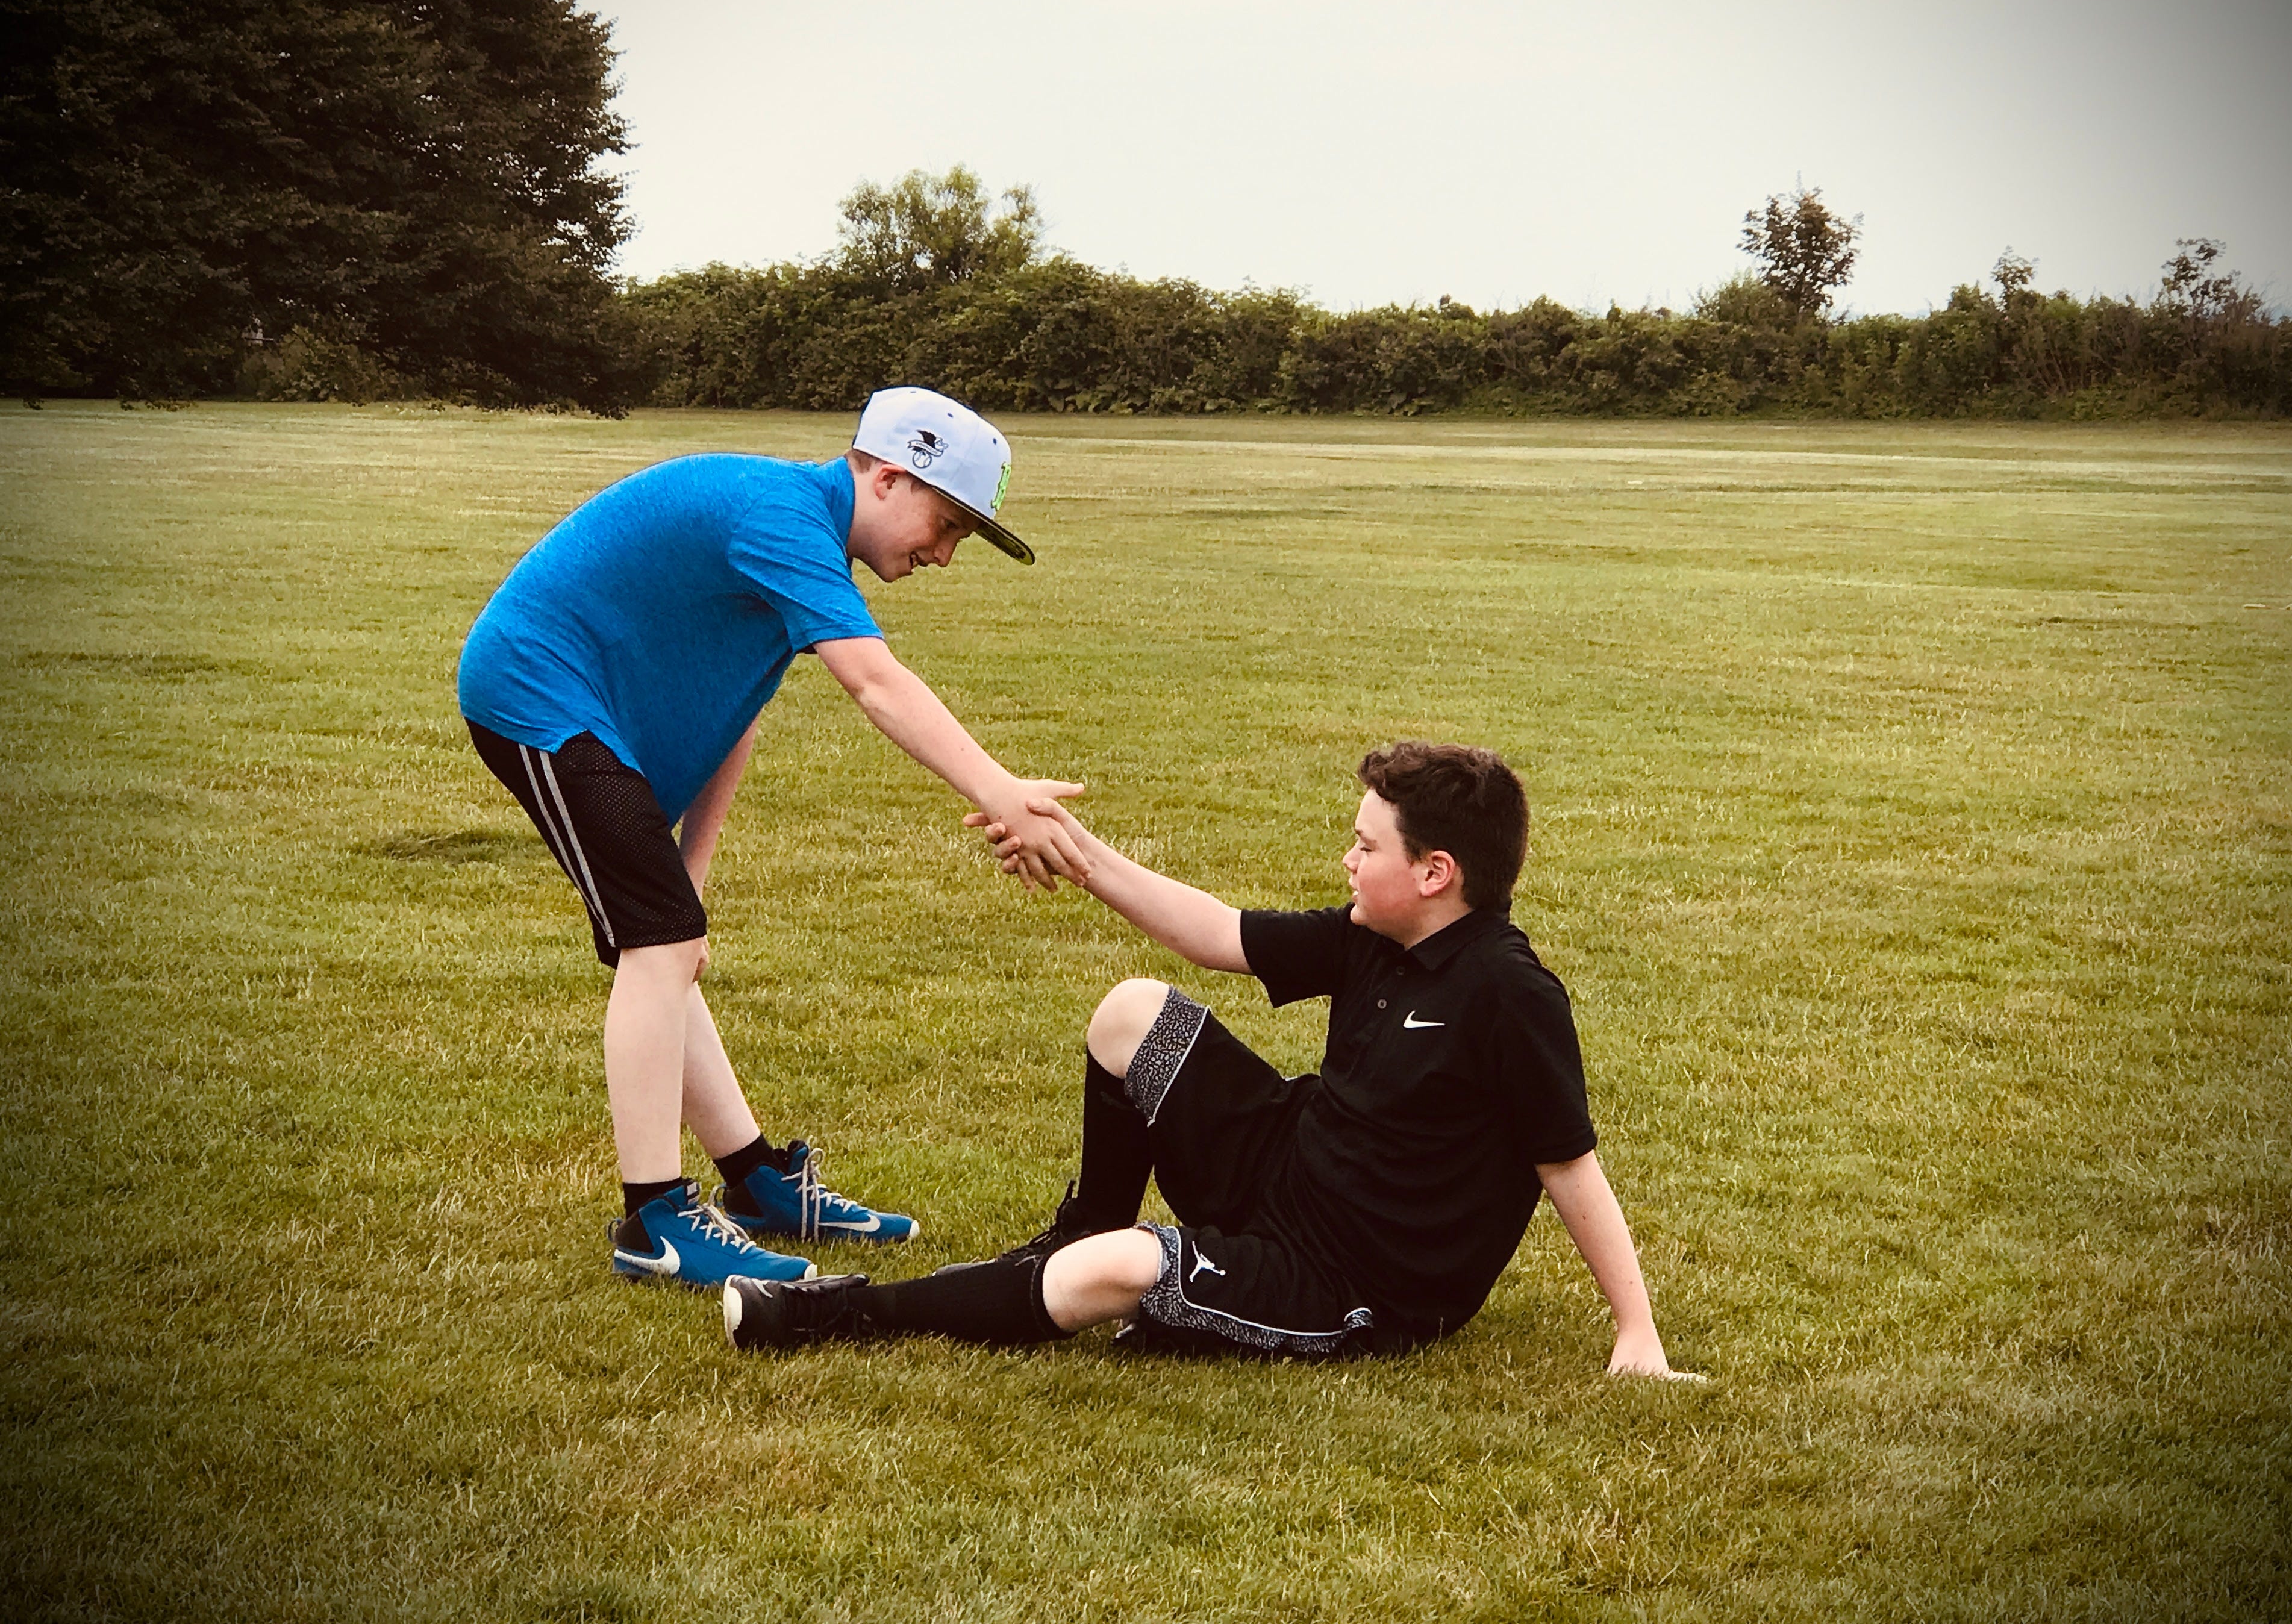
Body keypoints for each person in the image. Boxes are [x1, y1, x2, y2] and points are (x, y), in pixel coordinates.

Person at [723, 742, 1697, 1378]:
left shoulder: (1511, 995)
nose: (1348, 860)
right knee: (1132, 1014)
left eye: (1366, 846)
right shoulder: (1376, 933)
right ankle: (1077, 1235)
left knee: (1112, 1273)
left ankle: (838, 1316)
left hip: (1347, 1275)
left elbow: (1569, 1164)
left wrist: (1637, 1331)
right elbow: (1213, 933)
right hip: (1290, 1170)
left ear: (1436, 873)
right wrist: (1074, 848)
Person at [457, 386, 1088, 1290]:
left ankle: (756, 1182)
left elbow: (738, 709)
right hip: (533, 694)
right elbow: (875, 682)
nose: (945, 555)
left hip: (589, 712)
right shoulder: (781, 516)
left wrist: (694, 868)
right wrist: (1001, 791)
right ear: (886, 479)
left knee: (668, 941)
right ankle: (654, 1224)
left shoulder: (808, 538)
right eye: (946, 524)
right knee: (657, 947)